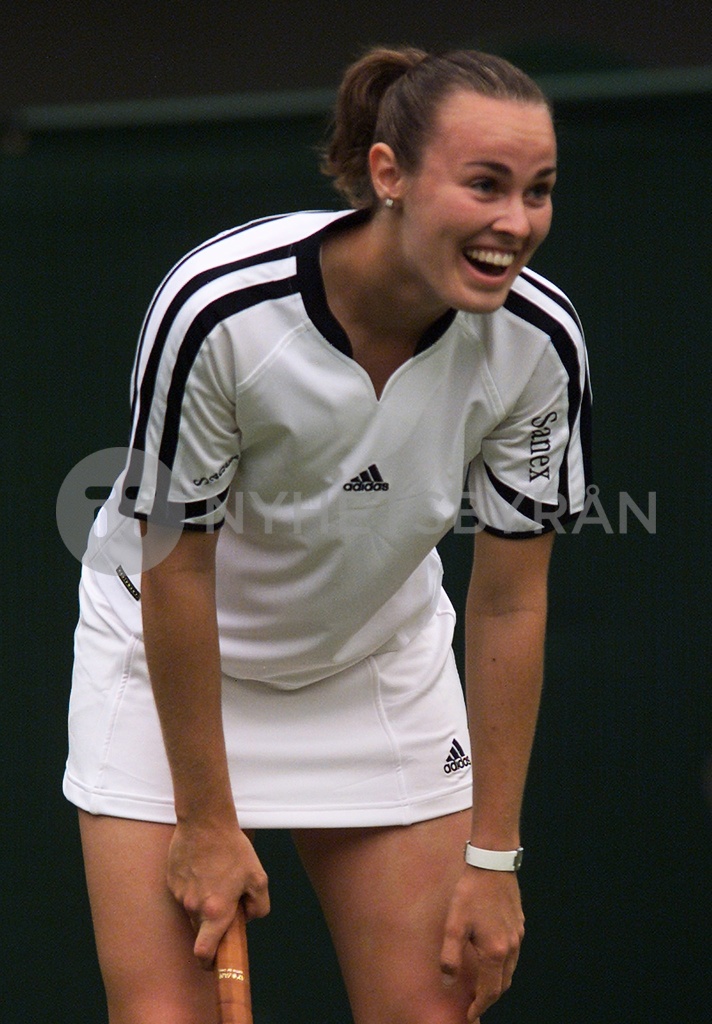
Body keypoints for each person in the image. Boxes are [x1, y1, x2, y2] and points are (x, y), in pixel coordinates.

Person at [63, 45, 592, 1024]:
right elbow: (176, 570)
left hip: (372, 668)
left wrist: (492, 857)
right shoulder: (219, 308)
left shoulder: (539, 342)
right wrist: (208, 819)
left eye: (538, 190)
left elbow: (512, 597)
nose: (515, 224)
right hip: (168, 672)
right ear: (387, 174)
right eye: (484, 185)